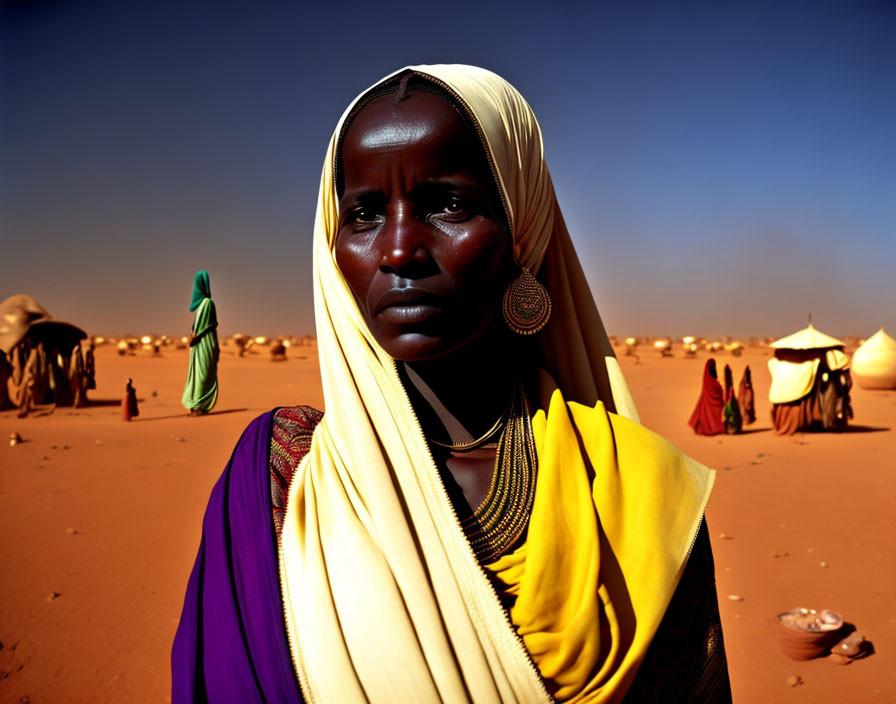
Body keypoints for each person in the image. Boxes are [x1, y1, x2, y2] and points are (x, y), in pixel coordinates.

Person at [173, 65, 730, 703]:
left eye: (448, 204)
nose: (400, 249)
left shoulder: (640, 490)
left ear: (521, 228)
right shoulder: (277, 484)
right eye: (364, 213)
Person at [181, 270, 219, 416]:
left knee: (204, 376)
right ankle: (195, 405)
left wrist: (193, 337)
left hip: (205, 346)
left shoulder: (207, 303)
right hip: (200, 346)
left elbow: (202, 327)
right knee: (198, 376)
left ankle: (200, 405)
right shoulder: (204, 304)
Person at [688, 358, 725, 436]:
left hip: (716, 399)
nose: (713, 369)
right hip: (710, 399)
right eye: (712, 367)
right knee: (709, 413)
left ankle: (716, 427)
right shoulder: (708, 381)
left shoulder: (712, 381)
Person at [722, 364, 742, 434]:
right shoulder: (729, 386)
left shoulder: (728, 386)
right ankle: (732, 428)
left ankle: (731, 428)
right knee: (731, 414)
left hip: (729, 400)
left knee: (729, 415)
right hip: (730, 400)